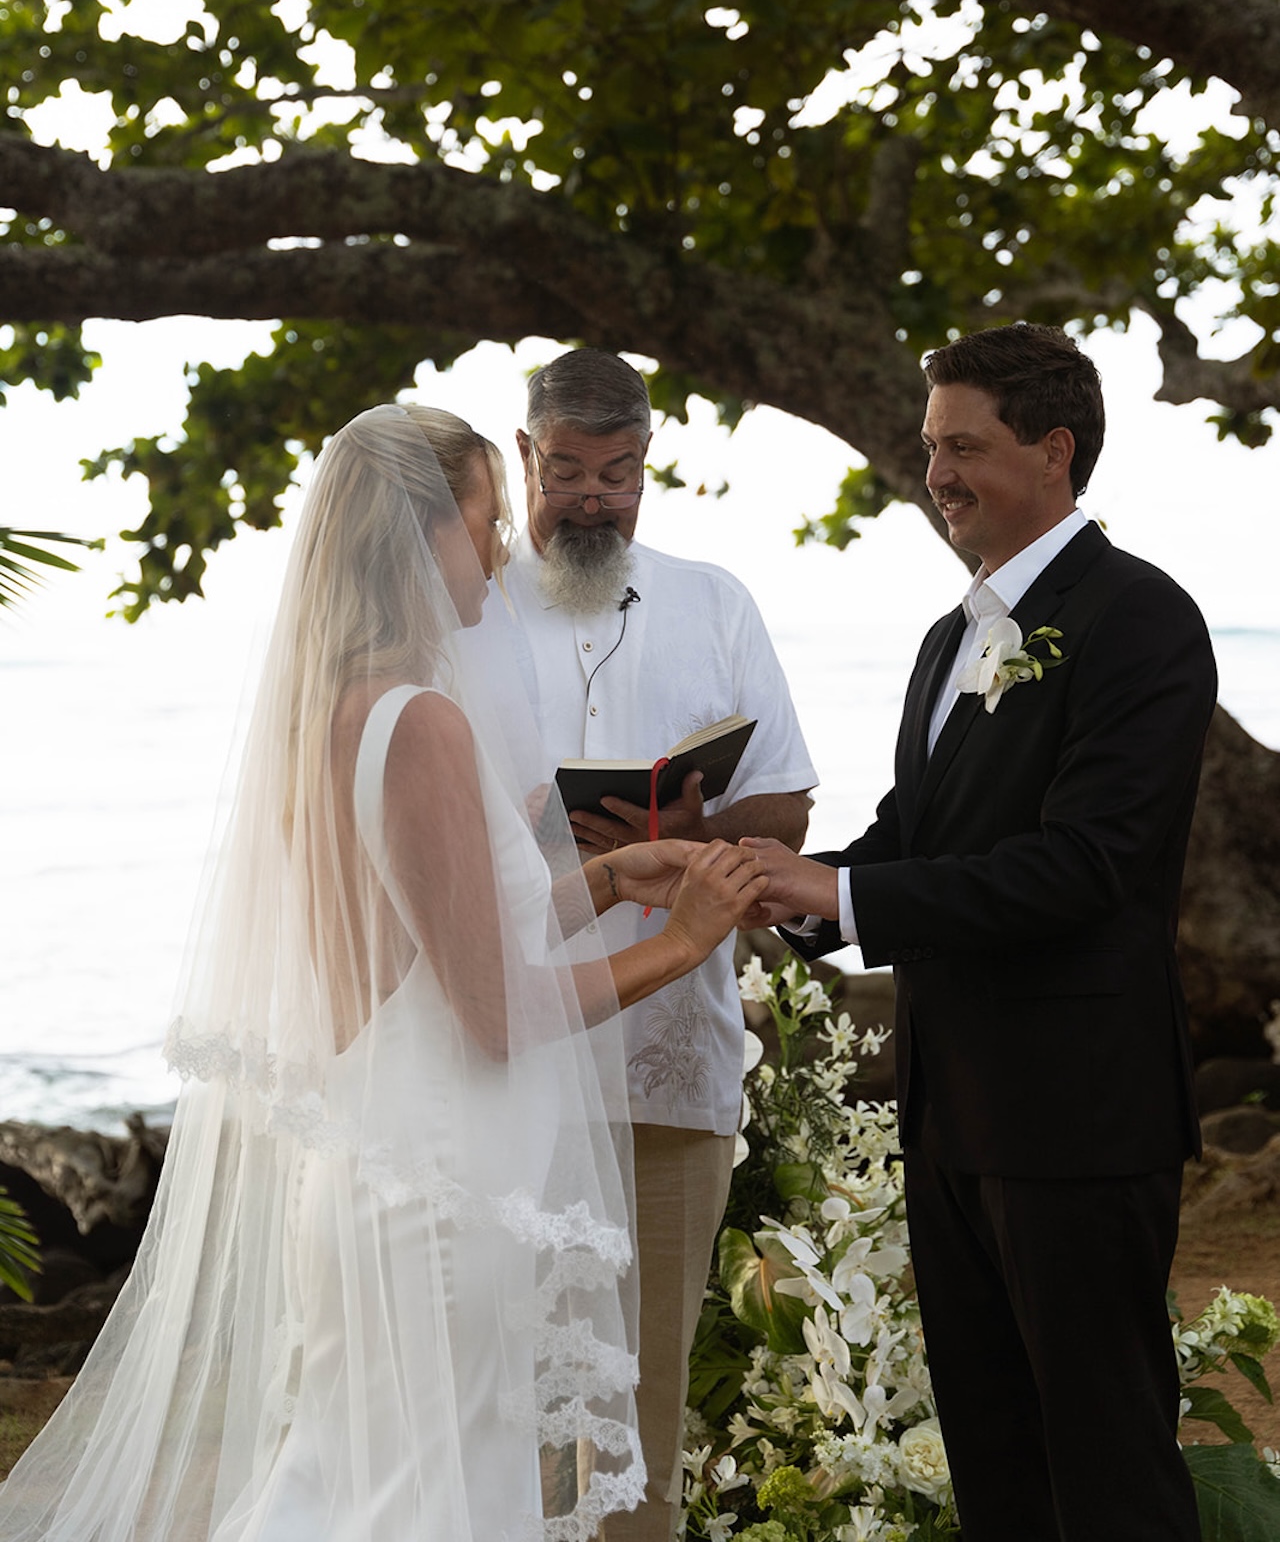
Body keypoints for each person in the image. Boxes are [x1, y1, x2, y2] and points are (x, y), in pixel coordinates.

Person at [0, 403, 768, 1542]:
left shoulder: (341, 709)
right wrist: (683, 941)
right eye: (482, 522)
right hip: (446, 1188)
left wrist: (606, 885)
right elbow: (496, 1012)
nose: (502, 551)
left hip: (383, 1160)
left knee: (364, 1487)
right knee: (426, 1502)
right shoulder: (421, 724)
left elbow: (431, 948)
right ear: (416, 540)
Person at [745, 324, 1215, 1542]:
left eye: (962, 445)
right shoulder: (947, 641)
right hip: (948, 1105)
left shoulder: (1140, 620)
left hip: (1075, 1112)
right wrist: (764, 881)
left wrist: (842, 901)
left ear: (1052, 452)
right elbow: (914, 834)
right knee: (994, 1456)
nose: (934, 472)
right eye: (926, 448)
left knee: (1106, 1460)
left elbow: (1087, 868)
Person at [494, 349, 817, 1542]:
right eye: (567, 470)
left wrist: (688, 829)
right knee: (511, 1404)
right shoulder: (464, 608)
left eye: (618, 474)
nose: (592, 498)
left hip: (671, 1062)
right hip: (508, 1057)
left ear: (647, 468)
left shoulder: (715, 601)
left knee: (643, 1410)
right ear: (524, 455)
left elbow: (784, 810)